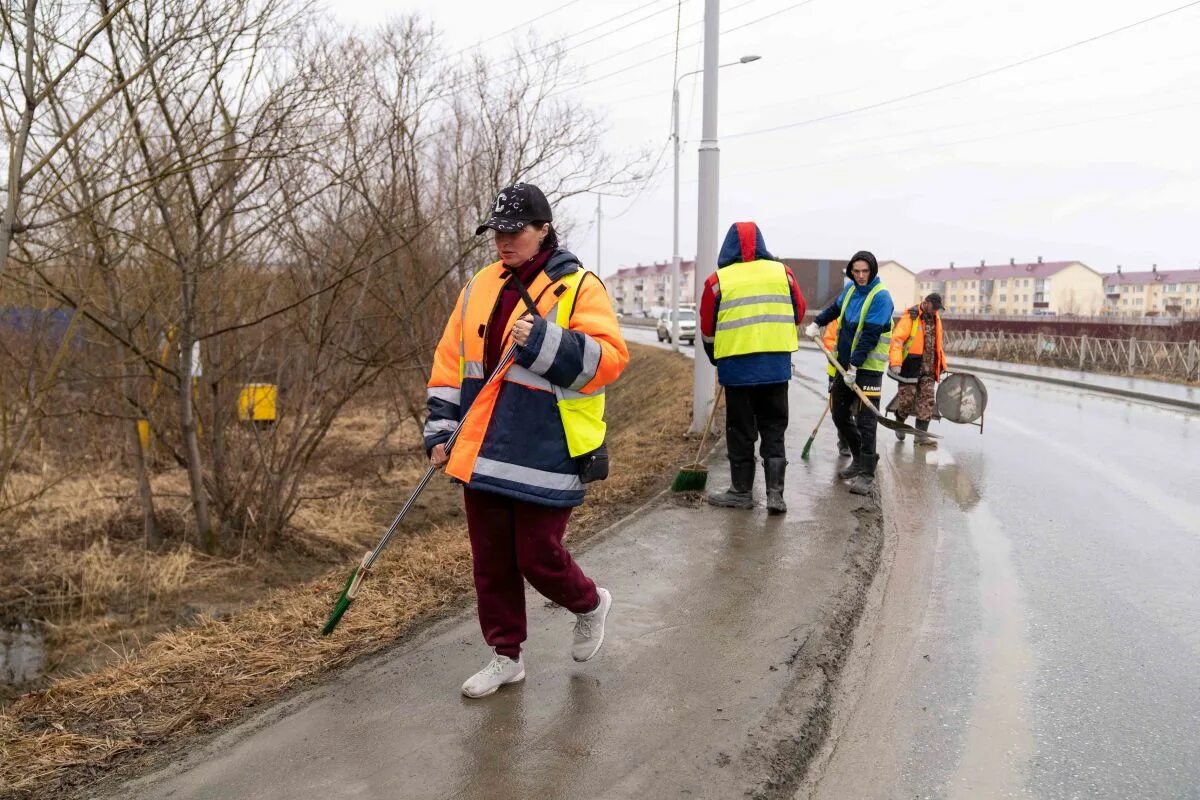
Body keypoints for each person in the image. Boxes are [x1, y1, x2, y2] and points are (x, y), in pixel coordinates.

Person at [424, 183, 629, 698]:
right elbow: (451, 364)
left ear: (544, 230)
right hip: (482, 444)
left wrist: (541, 340)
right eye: (497, 232)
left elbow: (608, 361)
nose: (503, 241)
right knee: (490, 560)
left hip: (547, 446)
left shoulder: (580, 287)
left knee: (537, 555)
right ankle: (506, 656)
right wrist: (441, 428)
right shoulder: (478, 286)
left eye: (515, 231)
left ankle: (588, 603)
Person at [699, 222, 806, 514]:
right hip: (775, 369)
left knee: (741, 431)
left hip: (738, 371)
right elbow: (799, 312)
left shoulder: (717, 281)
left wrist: (716, 358)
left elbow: (707, 328)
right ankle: (775, 495)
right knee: (774, 429)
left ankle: (742, 492)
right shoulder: (783, 273)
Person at [805, 251, 893, 496]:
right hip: (844, 366)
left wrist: (855, 365)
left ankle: (866, 473)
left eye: (865, 271)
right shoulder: (851, 290)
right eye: (857, 271)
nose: (861, 276)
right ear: (851, 271)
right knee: (839, 413)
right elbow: (835, 309)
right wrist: (817, 322)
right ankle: (857, 457)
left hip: (866, 369)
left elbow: (870, 335)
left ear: (872, 270)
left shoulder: (881, 297)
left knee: (866, 421)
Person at [888, 292, 946, 448]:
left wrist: (942, 364)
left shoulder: (936, 319)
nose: (935, 311)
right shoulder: (911, 317)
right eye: (934, 308)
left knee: (927, 402)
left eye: (937, 309)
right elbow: (897, 340)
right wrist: (895, 362)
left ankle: (920, 438)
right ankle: (900, 421)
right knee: (906, 400)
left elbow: (937, 344)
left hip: (929, 368)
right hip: (910, 366)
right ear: (926, 303)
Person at [822, 318, 852, 458]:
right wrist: (840, 358)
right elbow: (828, 341)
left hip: (855, 372)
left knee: (854, 410)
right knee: (840, 409)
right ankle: (844, 442)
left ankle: (853, 443)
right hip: (836, 372)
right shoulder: (838, 319)